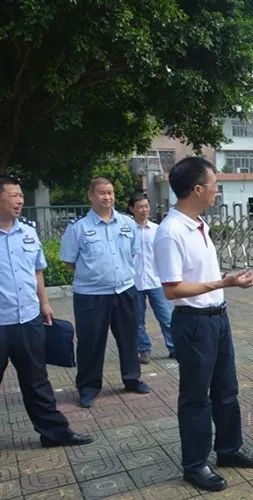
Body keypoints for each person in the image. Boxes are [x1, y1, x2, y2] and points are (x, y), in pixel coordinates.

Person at [154, 157, 253, 492]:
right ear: (198, 188)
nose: (218, 191)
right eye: (214, 184)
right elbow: (172, 289)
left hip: (217, 318)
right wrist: (223, 284)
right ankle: (195, 463)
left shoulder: (199, 225)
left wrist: (225, 284)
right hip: (193, 324)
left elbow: (198, 278)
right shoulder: (170, 232)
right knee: (196, 397)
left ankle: (229, 449)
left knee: (226, 389)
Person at [0, 175, 93, 448]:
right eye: (13, 195)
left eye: (21, 196)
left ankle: (55, 433)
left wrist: (44, 303)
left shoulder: (28, 232)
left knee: (36, 381)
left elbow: (37, 270)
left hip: (28, 320)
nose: (20, 200)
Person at [60, 177, 150, 408]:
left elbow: (132, 253)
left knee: (129, 337)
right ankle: (88, 387)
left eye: (110, 193)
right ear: (91, 196)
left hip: (125, 290)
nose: (107, 197)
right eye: (102, 193)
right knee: (91, 342)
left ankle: (132, 379)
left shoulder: (126, 224)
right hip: (91, 295)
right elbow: (70, 262)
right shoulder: (78, 228)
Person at [127, 192, 175, 363]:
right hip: (134, 282)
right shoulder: (126, 231)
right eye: (140, 207)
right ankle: (143, 349)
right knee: (137, 320)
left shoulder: (157, 230)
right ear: (132, 209)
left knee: (167, 316)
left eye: (146, 206)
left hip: (156, 280)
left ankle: (174, 347)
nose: (144, 210)